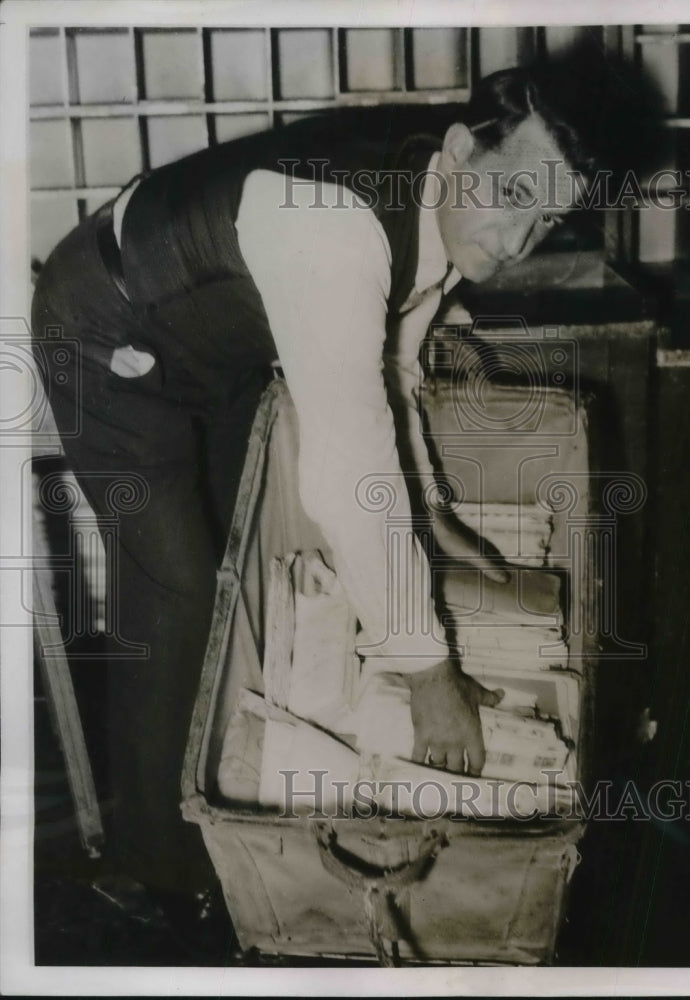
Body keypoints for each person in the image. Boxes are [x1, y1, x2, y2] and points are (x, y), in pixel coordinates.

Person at [31, 68, 593, 917]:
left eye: (545, 215)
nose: (519, 238)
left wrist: (435, 521)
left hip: (206, 340)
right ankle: (151, 872)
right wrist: (428, 675)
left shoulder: (436, 202)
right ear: (456, 149)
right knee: (177, 589)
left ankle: (219, 805)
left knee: (238, 562)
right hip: (104, 329)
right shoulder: (337, 227)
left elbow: (391, 381)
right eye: (512, 191)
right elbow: (347, 477)